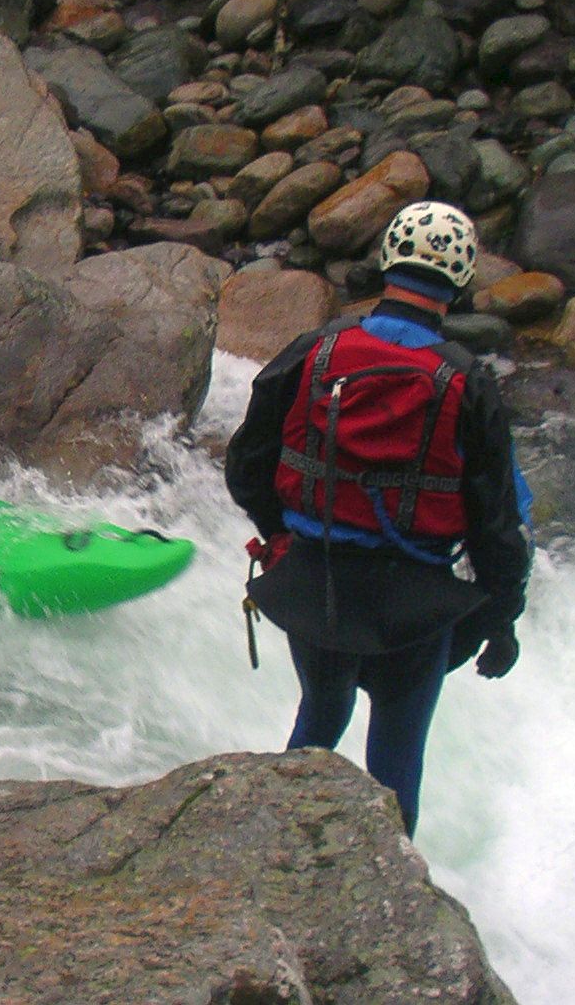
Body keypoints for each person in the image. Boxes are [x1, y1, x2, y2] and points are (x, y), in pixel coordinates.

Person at [224, 201, 533, 837]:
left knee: (320, 715)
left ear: (388, 260)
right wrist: (500, 621)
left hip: (314, 589)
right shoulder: (466, 380)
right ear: (460, 279)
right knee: (395, 761)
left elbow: (247, 465)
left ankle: (272, 853)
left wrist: (283, 536)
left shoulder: (316, 349)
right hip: (413, 610)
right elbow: (495, 523)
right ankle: (394, 901)